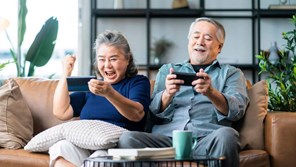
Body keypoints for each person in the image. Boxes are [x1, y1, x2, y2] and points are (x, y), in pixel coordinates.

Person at [118, 17, 250, 167]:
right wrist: (167, 94)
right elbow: (152, 112)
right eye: (195, 36)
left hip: (206, 140)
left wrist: (211, 92)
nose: (200, 42)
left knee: (227, 135)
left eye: (207, 38)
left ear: (219, 47)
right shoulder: (167, 70)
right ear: (189, 41)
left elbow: (236, 110)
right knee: (127, 139)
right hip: (166, 141)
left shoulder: (232, 74)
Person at [48, 30, 151, 167]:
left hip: (113, 150)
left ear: (128, 59)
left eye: (113, 59)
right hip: (85, 145)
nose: (107, 65)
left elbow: (137, 114)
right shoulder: (92, 86)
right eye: (102, 59)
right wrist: (65, 73)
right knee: (60, 147)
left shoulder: (137, 82)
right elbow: (61, 111)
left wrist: (109, 93)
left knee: (99, 158)